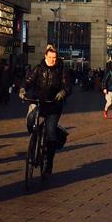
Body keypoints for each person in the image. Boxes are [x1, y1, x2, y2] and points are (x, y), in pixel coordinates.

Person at [20, 45, 72, 176]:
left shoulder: (61, 71)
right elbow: (28, 81)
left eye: (55, 58)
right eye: (50, 57)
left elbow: (67, 86)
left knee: (51, 132)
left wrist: (63, 92)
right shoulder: (38, 69)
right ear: (45, 57)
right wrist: (22, 89)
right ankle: (34, 141)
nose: (53, 60)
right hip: (39, 102)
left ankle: (49, 162)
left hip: (54, 105)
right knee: (31, 119)